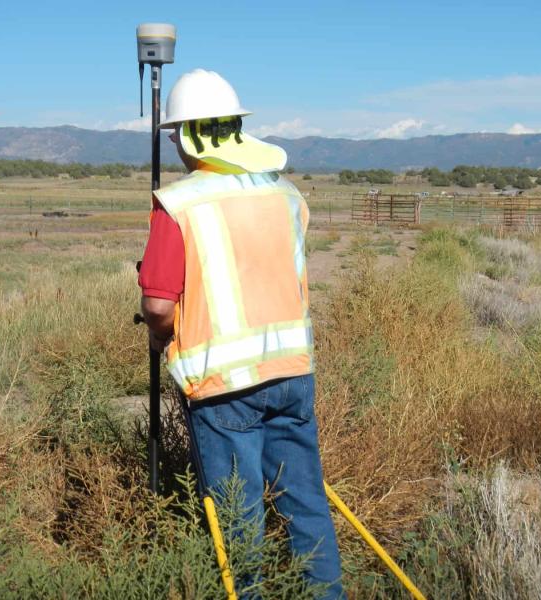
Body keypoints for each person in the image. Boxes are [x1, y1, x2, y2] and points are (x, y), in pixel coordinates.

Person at [138, 69, 343, 598]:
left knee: (238, 515)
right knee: (304, 501)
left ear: (184, 137)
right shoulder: (288, 196)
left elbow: (159, 305)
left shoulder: (179, 204)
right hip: (294, 374)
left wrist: (161, 338)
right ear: (234, 128)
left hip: (224, 385)